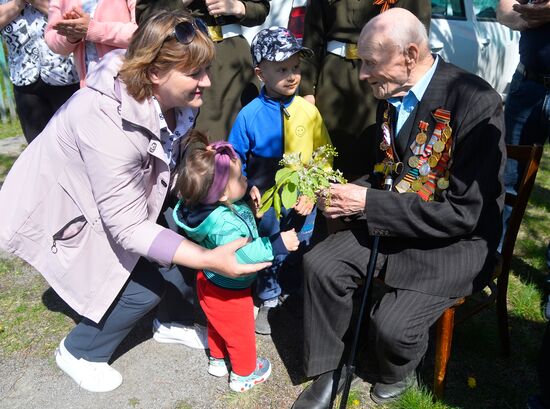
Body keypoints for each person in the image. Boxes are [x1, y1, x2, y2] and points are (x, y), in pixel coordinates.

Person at [0, 10, 271, 393]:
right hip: (61, 208)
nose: (207, 83)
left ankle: (171, 321)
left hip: (111, 198)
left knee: (175, 240)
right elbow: (127, 227)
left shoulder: (172, 102)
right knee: (142, 285)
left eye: (205, 70)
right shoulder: (106, 119)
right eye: (195, 74)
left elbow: (167, 166)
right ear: (155, 73)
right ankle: (80, 352)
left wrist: (222, 184)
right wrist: (210, 259)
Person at [291, 8, 506, 408]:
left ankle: (397, 374)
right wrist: (346, 193)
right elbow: (388, 174)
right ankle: (329, 368)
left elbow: (464, 213)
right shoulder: (390, 93)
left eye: (370, 63)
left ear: (409, 55)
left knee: (391, 327)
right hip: (395, 222)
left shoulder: (475, 101)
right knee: (320, 264)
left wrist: (370, 203)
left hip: (455, 243)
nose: (361, 75)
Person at [171, 131, 299, 391]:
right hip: (231, 290)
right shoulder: (224, 224)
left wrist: (246, 200)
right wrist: (277, 244)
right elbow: (242, 255)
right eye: (241, 177)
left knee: (217, 323)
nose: (246, 178)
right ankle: (244, 374)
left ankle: (217, 360)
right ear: (221, 195)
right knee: (240, 333)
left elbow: (234, 206)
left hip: (207, 279)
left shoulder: (205, 208)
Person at [228, 26, 332, 335]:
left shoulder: (308, 112)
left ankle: (295, 292)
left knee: (302, 241)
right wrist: (246, 189)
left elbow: (324, 155)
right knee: (270, 243)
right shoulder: (249, 115)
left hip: (303, 198)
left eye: (296, 67)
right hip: (267, 199)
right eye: (282, 68)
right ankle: (269, 296)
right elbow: (234, 161)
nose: (292, 75)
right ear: (260, 72)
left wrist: (313, 192)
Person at [299, 0, 431, 179]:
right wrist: (307, 90)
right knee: (329, 156)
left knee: (380, 154)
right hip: (334, 77)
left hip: (386, 76)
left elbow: (417, 34)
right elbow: (312, 36)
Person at [497, 2, 550, 407]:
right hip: (527, 84)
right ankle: (487, 264)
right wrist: (531, 16)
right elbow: (503, 10)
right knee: (505, 179)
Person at [135, 0, 269, 141]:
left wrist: (240, 7)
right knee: (197, 144)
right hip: (184, 60)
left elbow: (261, 8)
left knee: (246, 137)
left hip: (234, 60)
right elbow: (146, 16)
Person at [0, 0, 79, 143]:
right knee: (39, 149)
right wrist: (17, 5)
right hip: (24, 79)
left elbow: (75, 19)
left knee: (77, 142)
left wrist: (37, 2)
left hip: (66, 74)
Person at [45, 0, 137, 85]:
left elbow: (143, 33)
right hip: (91, 88)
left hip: (132, 81)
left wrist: (92, 29)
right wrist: (71, 36)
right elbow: (52, 39)